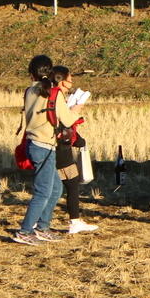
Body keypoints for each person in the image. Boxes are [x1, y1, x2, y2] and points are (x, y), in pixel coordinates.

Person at [13, 56, 85, 245]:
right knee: (43, 191)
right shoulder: (53, 93)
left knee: (56, 188)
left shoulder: (30, 91)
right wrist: (76, 110)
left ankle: (43, 227)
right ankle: (25, 231)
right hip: (44, 146)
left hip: (34, 145)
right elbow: (67, 120)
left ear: (31, 74)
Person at [50, 66, 98, 235]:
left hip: (49, 147)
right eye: (70, 80)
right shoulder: (57, 97)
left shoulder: (46, 95)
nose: (71, 83)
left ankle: (37, 222)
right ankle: (74, 222)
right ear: (63, 81)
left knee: (49, 187)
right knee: (70, 184)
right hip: (61, 150)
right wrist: (74, 112)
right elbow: (65, 124)